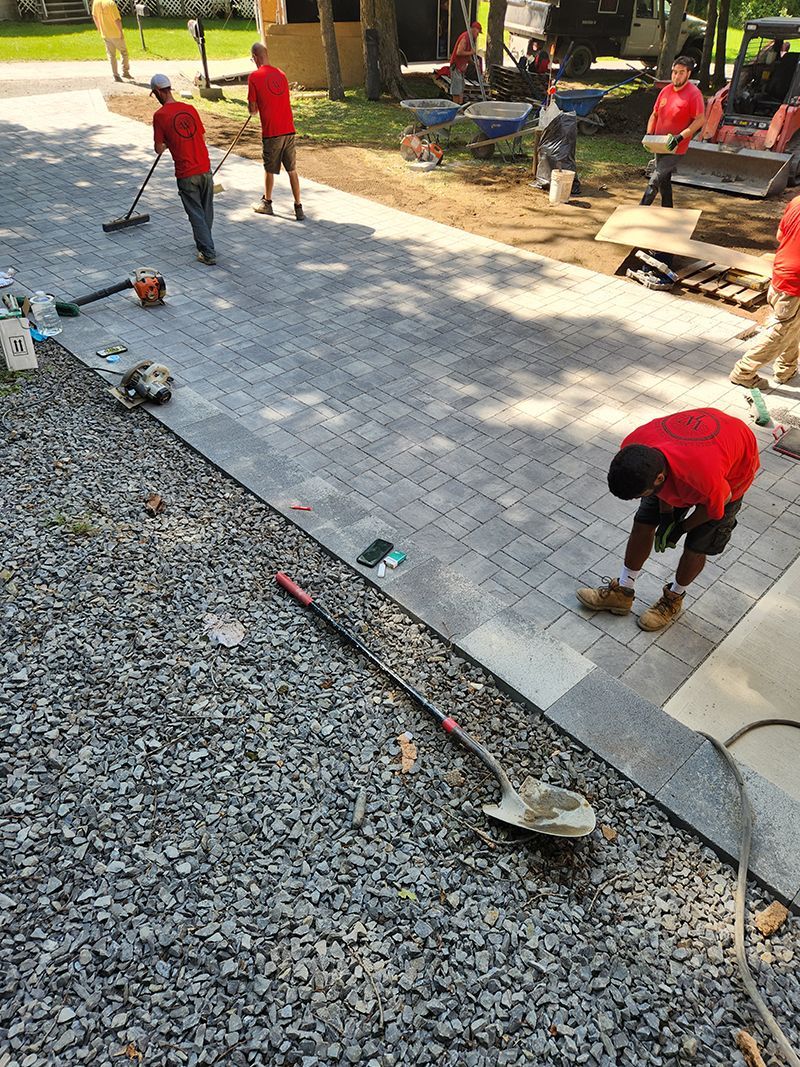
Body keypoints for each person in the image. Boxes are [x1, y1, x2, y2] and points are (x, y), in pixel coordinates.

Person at [576, 409, 759, 632]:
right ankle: (622, 592)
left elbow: (716, 507)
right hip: (690, 453)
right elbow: (662, 490)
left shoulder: (703, 478)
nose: (636, 499)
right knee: (643, 522)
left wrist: (681, 527)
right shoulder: (635, 446)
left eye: (639, 494)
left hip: (732, 474)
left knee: (696, 545)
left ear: (659, 478)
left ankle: (673, 598)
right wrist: (666, 515)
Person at [730, 194, 800, 388]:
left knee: (792, 325)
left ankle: (786, 369)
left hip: (781, 273)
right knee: (781, 330)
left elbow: (780, 236)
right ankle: (743, 372)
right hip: (795, 284)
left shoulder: (796, 202)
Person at [150, 74, 216, 266]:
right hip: (204, 167)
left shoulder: (160, 116)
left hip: (186, 173)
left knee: (195, 213)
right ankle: (205, 242)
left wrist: (170, 142)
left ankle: (208, 252)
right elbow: (200, 137)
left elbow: (158, 149)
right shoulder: (190, 109)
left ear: (158, 92)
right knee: (206, 210)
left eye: (155, 94)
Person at [248, 42, 304, 221]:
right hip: (289, 129)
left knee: (269, 169)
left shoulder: (254, 77)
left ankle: (267, 203)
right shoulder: (281, 74)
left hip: (272, 131)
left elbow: (252, 109)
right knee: (292, 169)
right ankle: (298, 207)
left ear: (256, 57)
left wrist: (254, 109)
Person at [641, 56, 705, 208]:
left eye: (681, 72)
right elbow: (655, 114)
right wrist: (649, 134)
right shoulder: (665, 91)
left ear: (689, 74)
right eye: (674, 72)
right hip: (659, 144)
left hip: (676, 147)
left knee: (655, 179)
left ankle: (640, 208)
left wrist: (679, 137)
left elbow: (700, 120)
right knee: (664, 179)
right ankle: (667, 209)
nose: (676, 76)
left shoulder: (694, 94)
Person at [92, 0, 131, 83]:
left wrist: (99, 28)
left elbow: (94, 16)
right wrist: (121, 31)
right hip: (115, 33)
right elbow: (117, 20)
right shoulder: (111, 3)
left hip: (105, 33)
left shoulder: (96, 2)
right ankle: (125, 72)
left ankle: (115, 75)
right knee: (123, 52)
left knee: (111, 55)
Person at [449, 20, 482, 105]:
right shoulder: (465, 37)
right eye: (478, 32)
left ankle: (459, 107)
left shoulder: (471, 40)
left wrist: (474, 64)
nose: (478, 35)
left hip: (461, 68)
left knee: (461, 88)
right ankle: (455, 108)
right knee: (456, 89)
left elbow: (467, 55)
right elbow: (459, 52)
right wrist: (472, 52)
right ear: (474, 29)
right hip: (456, 66)